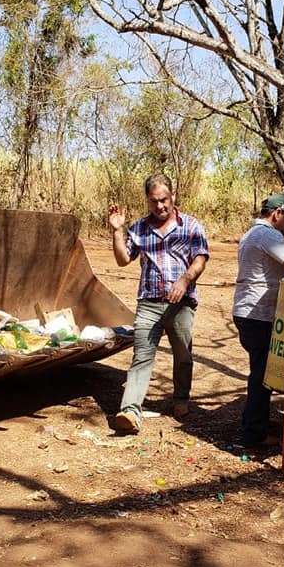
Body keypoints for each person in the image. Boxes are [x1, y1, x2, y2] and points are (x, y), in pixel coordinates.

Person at [108, 174, 209, 434]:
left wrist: (184, 281)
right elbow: (122, 259)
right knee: (141, 356)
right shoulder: (140, 228)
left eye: (164, 200)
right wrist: (118, 231)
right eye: (154, 202)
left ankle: (181, 399)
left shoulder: (191, 225)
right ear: (148, 201)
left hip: (182, 303)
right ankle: (130, 410)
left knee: (183, 354)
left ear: (172, 196)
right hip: (149, 302)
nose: (160, 206)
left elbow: (200, 259)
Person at [232, 193, 284, 448]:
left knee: (261, 370)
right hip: (258, 315)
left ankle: (254, 422)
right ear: (277, 214)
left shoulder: (251, 234)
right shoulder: (267, 235)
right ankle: (254, 434)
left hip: (250, 312)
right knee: (262, 374)